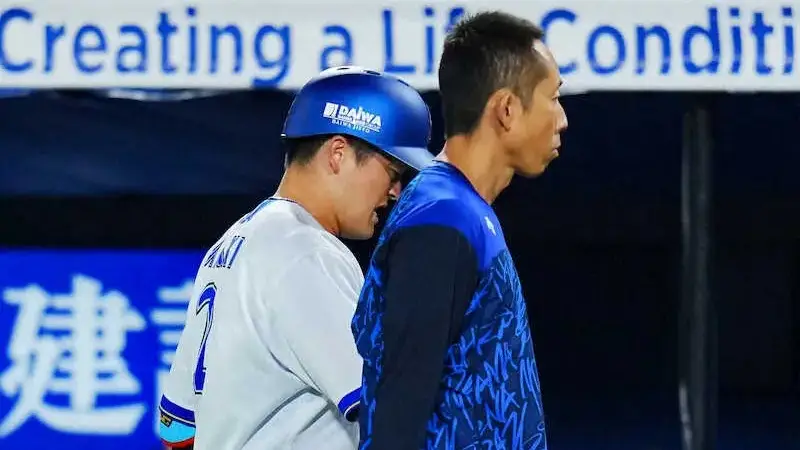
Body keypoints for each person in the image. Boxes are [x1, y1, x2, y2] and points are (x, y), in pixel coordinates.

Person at [157, 66, 433, 450]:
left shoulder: (232, 243)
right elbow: (392, 407)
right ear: (338, 154)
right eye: (392, 171)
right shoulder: (307, 251)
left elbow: (176, 428)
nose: (395, 191)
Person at [351, 11, 569, 450]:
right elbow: (399, 409)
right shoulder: (442, 219)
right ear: (507, 110)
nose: (562, 118)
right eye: (553, 97)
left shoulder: (460, 210)